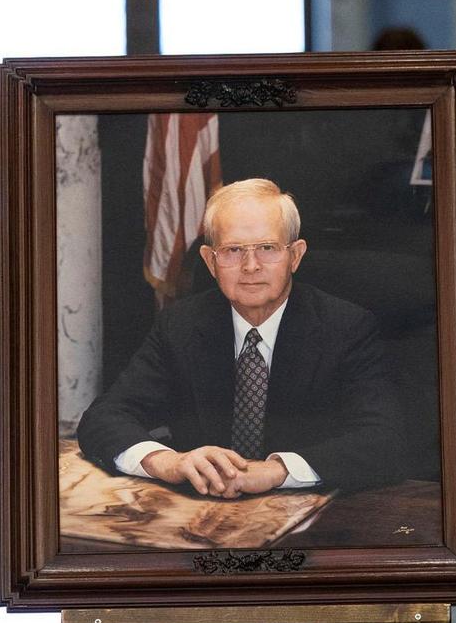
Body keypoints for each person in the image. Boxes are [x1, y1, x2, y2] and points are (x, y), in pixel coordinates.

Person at [76, 177, 404, 498]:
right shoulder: (181, 324)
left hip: (309, 516)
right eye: (233, 250)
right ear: (210, 260)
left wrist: (277, 471)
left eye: (267, 248)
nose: (250, 266)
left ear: (296, 255)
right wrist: (169, 462)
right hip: (201, 508)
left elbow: (384, 440)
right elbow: (105, 417)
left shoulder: (346, 327)